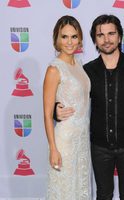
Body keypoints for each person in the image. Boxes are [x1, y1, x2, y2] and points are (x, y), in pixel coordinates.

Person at [55, 14, 124, 200]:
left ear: (119, 36)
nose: (106, 39)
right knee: (103, 195)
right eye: (100, 35)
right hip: (99, 148)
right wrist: (56, 109)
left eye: (111, 33)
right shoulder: (87, 71)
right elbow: (70, 99)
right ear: (95, 39)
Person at [43, 15, 91, 200]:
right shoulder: (54, 69)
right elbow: (47, 114)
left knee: (79, 190)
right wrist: (53, 149)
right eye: (64, 37)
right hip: (65, 141)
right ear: (57, 39)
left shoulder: (79, 65)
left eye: (73, 36)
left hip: (82, 140)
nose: (69, 42)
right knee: (65, 191)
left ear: (79, 38)